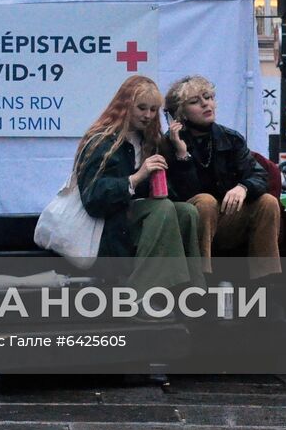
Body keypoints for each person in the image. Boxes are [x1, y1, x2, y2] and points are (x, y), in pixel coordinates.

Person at [75, 75, 203, 296]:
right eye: (142, 108)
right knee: (162, 209)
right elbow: (93, 198)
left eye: (153, 110)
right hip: (110, 228)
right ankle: (141, 293)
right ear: (125, 106)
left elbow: (178, 194)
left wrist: (181, 155)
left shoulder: (151, 141)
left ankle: (190, 290)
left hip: (140, 220)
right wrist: (137, 177)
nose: (148, 115)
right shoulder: (101, 140)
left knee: (187, 211)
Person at [163, 75, 281, 280]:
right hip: (189, 221)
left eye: (208, 97)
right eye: (195, 101)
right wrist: (182, 155)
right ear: (180, 115)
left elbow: (260, 175)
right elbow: (180, 194)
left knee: (267, 202)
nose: (206, 104)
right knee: (206, 202)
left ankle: (267, 283)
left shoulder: (230, 138)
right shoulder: (168, 144)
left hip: (227, 218)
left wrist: (243, 187)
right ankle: (202, 282)